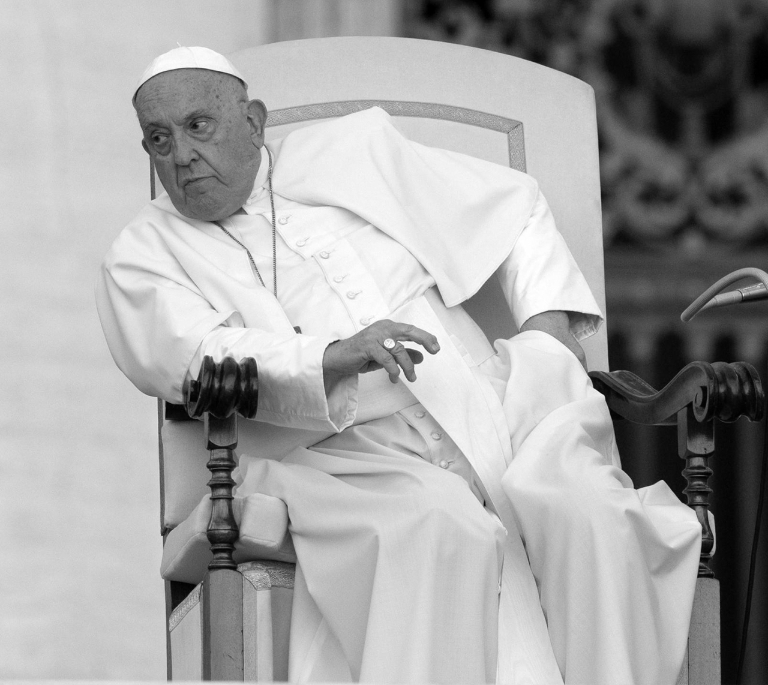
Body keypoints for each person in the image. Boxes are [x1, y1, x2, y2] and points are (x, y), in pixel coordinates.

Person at [96, 46, 701, 684]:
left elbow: (514, 207)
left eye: (199, 126)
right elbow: (193, 358)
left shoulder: (352, 152)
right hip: (339, 456)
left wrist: (549, 336)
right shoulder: (141, 253)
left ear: (252, 119)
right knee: (438, 527)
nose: (181, 155)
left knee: (590, 516)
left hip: (494, 409)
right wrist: (330, 357)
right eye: (158, 140)